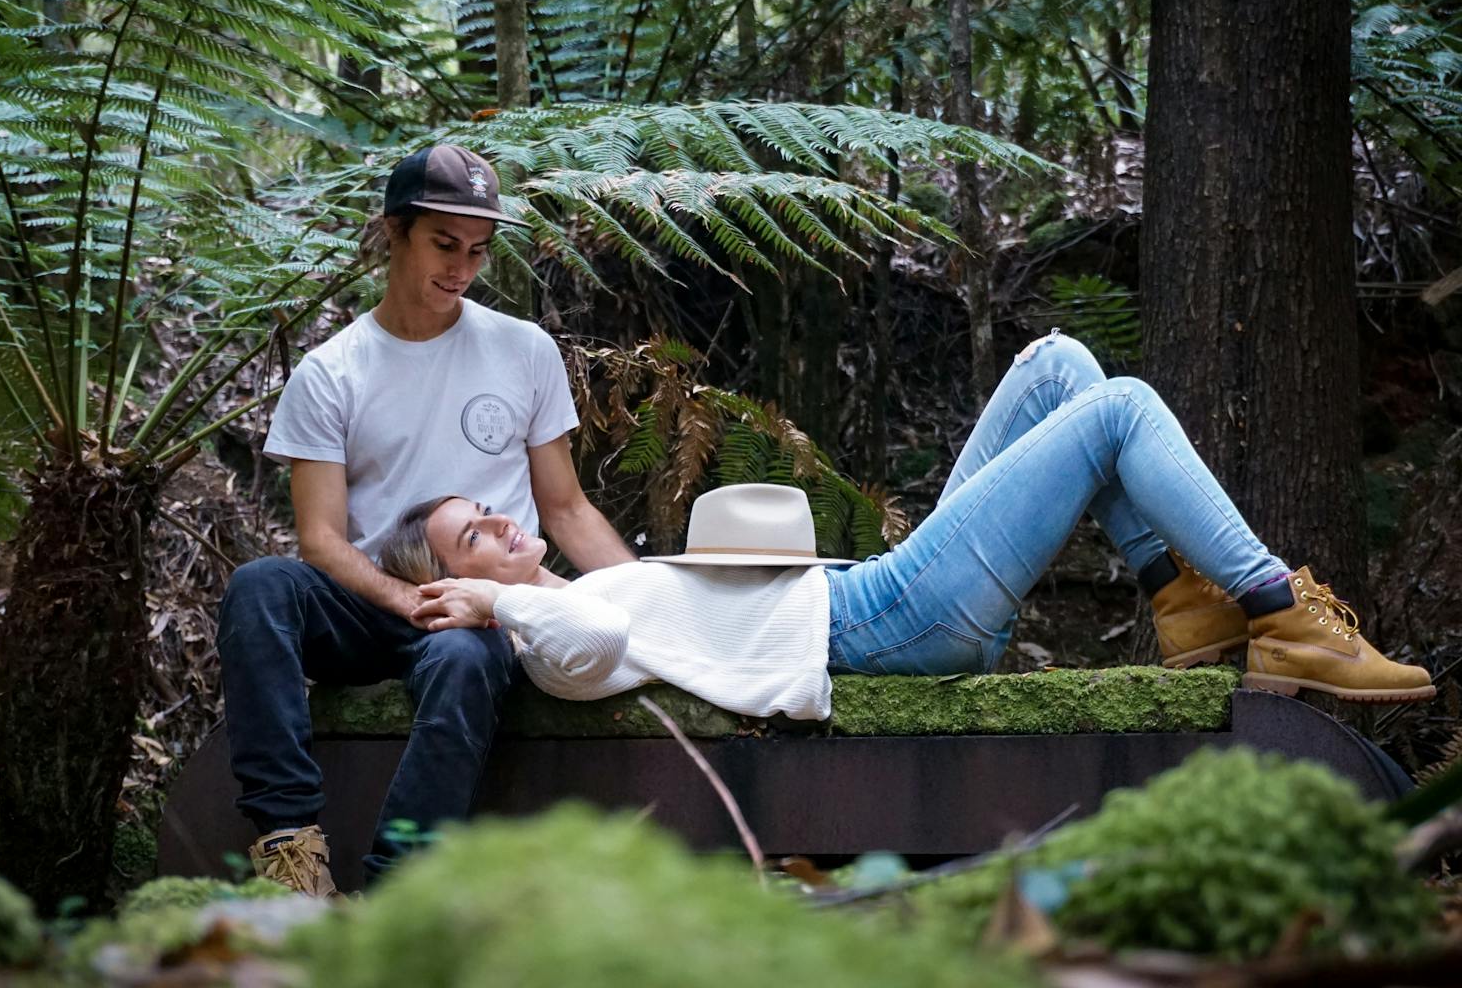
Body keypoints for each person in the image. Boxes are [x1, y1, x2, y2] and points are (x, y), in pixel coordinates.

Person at [389, 332, 1433, 720]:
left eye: (483, 510)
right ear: (457, 592)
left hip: (880, 590)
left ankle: (1185, 608)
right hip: (885, 623)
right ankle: (1273, 609)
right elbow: (597, 644)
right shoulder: (549, 647)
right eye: (469, 537)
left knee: (1059, 368)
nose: (495, 519)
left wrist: (509, 585)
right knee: (1119, 411)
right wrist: (494, 606)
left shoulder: (576, 594)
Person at [217, 144, 635, 896]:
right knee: (260, 586)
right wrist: (406, 600)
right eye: (444, 244)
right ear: (393, 232)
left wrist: (649, 603)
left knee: (468, 660)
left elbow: (566, 509)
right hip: (371, 600)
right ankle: (290, 849)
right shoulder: (332, 373)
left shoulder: (523, 350)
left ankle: (393, 892)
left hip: (478, 609)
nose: (462, 268)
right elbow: (320, 540)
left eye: (478, 251)